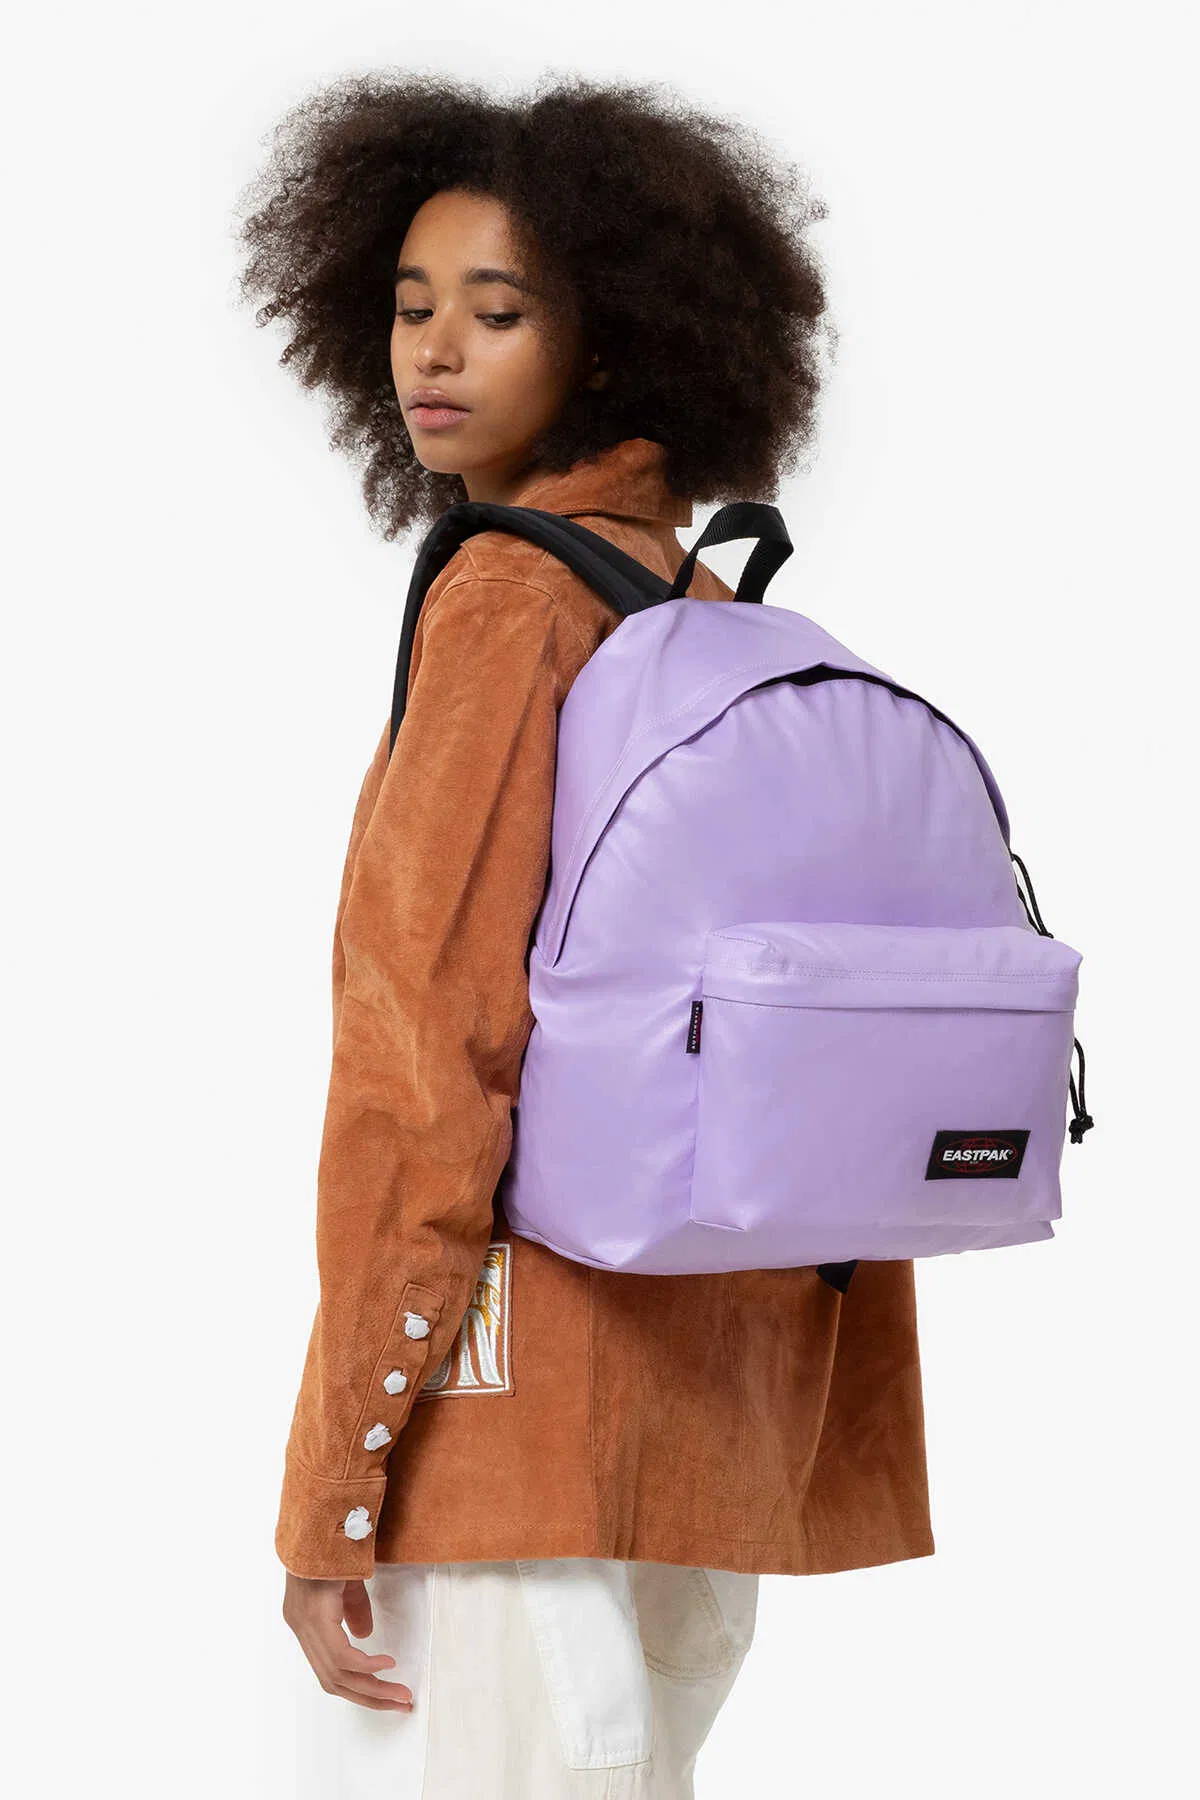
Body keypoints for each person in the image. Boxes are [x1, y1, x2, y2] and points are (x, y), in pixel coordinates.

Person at [237, 72, 934, 1798]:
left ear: (609, 343)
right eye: (411, 305)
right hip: (713, 1388)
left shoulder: (507, 597)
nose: (434, 352)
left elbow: (431, 1046)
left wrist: (336, 1471)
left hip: (520, 1416)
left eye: (497, 311)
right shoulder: (694, 598)